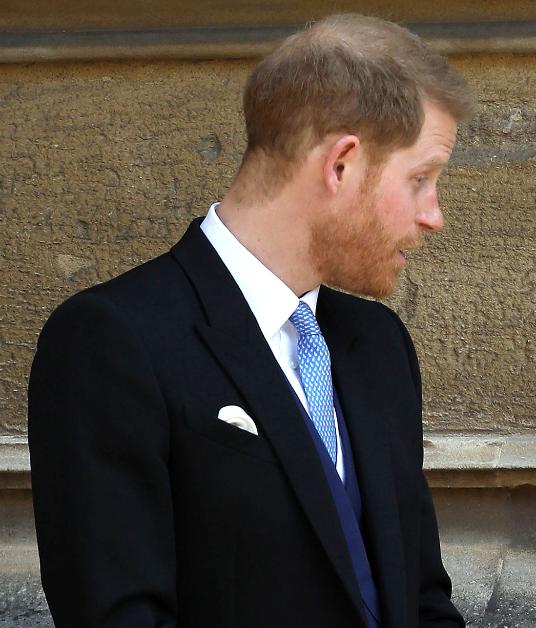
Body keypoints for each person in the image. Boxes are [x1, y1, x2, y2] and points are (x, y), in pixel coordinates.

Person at [27, 14, 471, 628]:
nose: (434, 216)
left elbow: (421, 597)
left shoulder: (378, 345)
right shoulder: (112, 342)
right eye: (420, 179)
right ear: (341, 163)